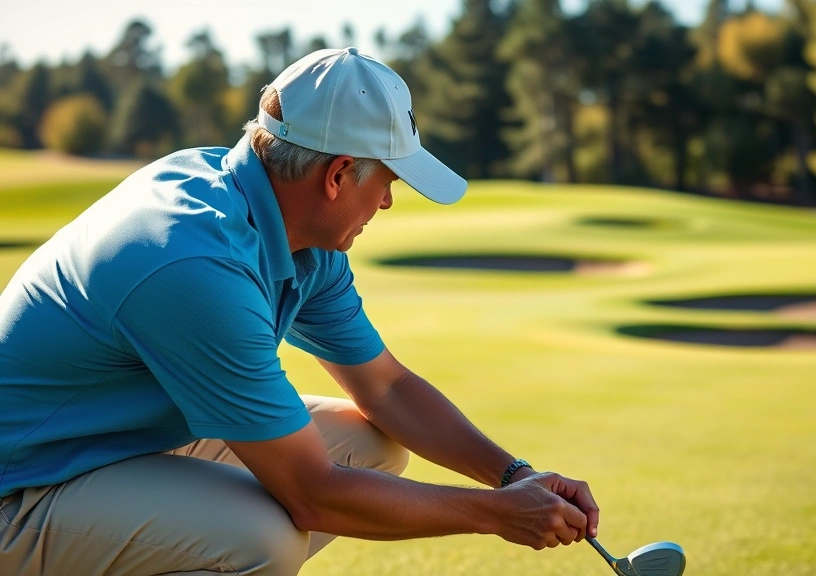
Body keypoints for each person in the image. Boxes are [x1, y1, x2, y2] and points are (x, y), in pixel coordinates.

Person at [0, 48, 599, 576]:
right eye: (387, 181)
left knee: (372, 445)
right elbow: (313, 493)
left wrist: (513, 476)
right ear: (338, 175)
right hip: (22, 488)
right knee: (258, 542)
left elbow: (386, 387)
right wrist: (496, 517)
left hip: (113, 443)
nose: (388, 202)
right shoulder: (194, 263)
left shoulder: (294, 233)